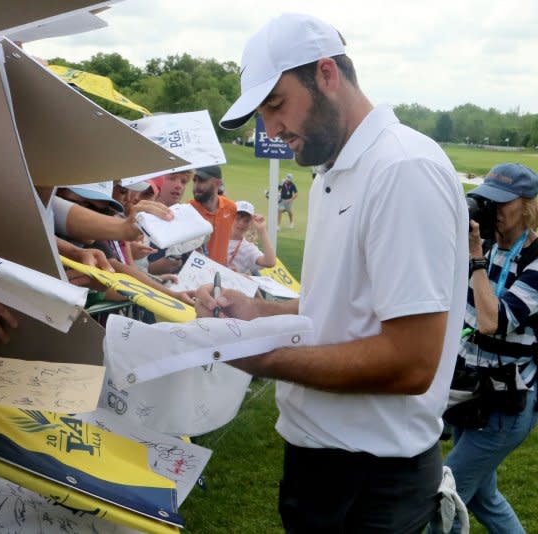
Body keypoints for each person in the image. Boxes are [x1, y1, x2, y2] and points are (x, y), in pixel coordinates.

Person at [200, 13, 468, 532]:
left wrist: (260, 356)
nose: (271, 128)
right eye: (262, 113)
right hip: (324, 467)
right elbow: (343, 306)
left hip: (372, 482)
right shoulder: (335, 169)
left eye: (276, 105)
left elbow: (411, 362)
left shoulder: (400, 169)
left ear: (327, 73)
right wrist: (257, 311)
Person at [433, 163, 538, 534]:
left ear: (527, 207)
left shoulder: (535, 261)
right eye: (487, 201)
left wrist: (476, 257)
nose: (492, 210)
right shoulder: (489, 248)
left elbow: (493, 319)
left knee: (442, 500)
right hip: (472, 394)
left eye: (501, 204)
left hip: (504, 405)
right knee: (483, 499)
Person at [189, 165, 238, 265]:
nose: (196, 186)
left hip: (221, 274)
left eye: (202, 181)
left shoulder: (231, 208)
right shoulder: (188, 210)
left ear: (218, 183)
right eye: (195, 181)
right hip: (195, 273)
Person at [227, 201, 276, 274]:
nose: (241, 223)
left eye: (246, 221)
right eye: (237, 218)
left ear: (250, 224)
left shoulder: (247, 248)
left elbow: (270, 262)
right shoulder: (216, 236)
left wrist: (262, 230)